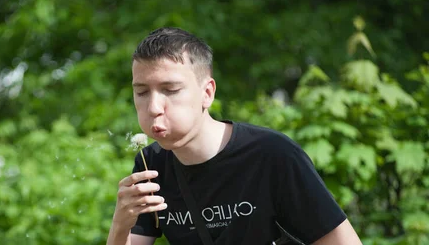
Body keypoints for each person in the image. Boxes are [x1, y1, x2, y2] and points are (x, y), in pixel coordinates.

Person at [106, 27, 363, 245]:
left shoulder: (271, 155)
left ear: (207, 93)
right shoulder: (151, 165)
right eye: (141, 92)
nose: (153, 107)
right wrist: (120, 224)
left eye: (170, 90)